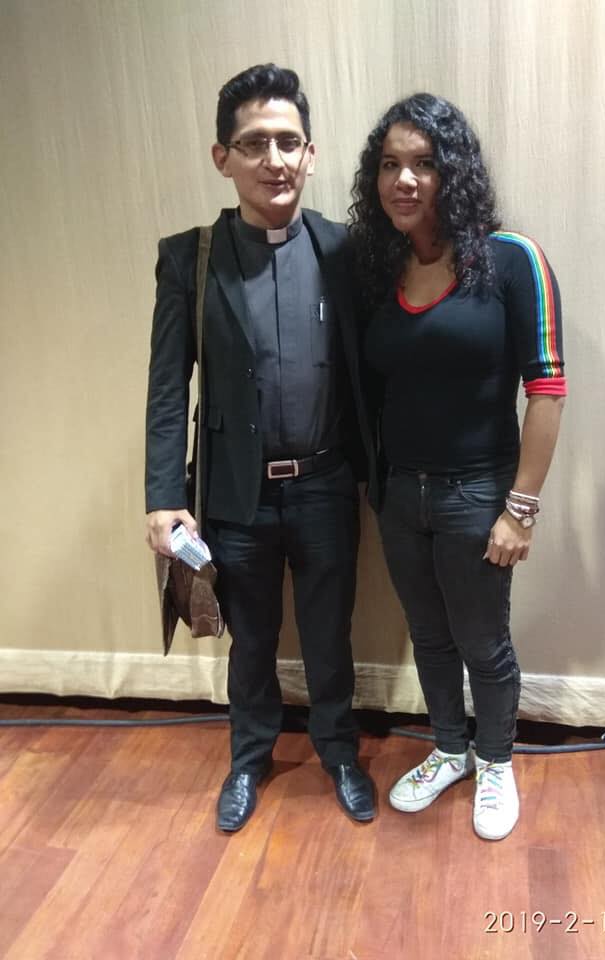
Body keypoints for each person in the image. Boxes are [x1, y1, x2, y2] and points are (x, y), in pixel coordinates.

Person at [145, 64, 378, 832]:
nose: (273, 160)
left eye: (287, 142)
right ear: (224, 158)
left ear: (310, 153)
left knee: (329, 635)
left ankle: (338, 751)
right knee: (250, 643)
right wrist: (163, 498)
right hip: (234, 493)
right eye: (254, 144)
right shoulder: (189, 259)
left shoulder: (345, 251)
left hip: (324, 485)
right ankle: (248, 757)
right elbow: (168, 387)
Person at [349, 94, 566, 840]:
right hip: (400, 495)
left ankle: (496, 761)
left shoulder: (511, 259)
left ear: (455, 171)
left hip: (479, 493)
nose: (404, 180)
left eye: (423, 163)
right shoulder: (378, 269)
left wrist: (520, 510)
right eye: (389, 165)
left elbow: (547, 390)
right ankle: (449, 749)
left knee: (483, 642)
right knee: (430, 636)